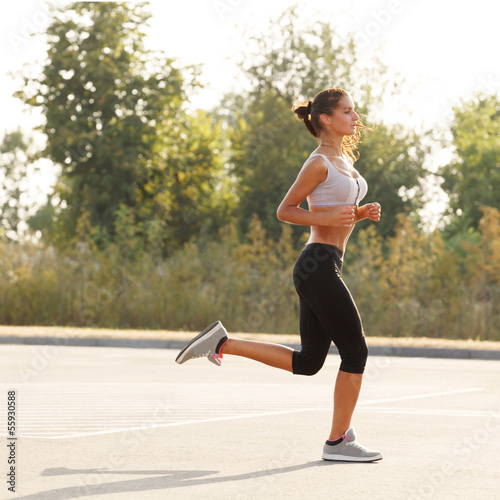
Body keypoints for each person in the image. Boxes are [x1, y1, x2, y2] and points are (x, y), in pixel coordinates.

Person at [175, 88, 383, 462]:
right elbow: (285, 210)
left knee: (309, 363)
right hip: (316, 264)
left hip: (324, 264)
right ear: (326, 118)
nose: (355, 117)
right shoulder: (319, 161)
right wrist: (326, 218)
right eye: (348, 112)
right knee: (355, 351)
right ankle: (338, 441)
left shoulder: (342, 161)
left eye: (354, 111)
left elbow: (337, 210)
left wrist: (359, 212)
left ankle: (223, 343)